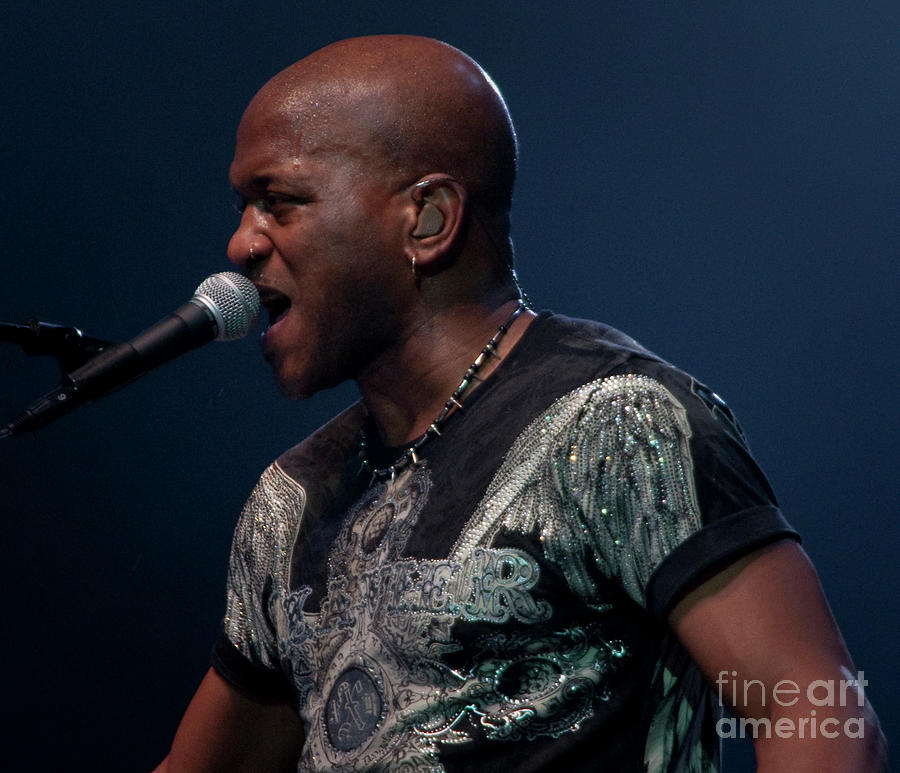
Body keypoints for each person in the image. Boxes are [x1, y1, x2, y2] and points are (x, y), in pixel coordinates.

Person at [154, 35, 886, 772]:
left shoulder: (619, 426)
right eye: (243, 206)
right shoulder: (290, 502)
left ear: (428, 220)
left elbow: (818, 712)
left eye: (278, 202)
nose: (241, 242)